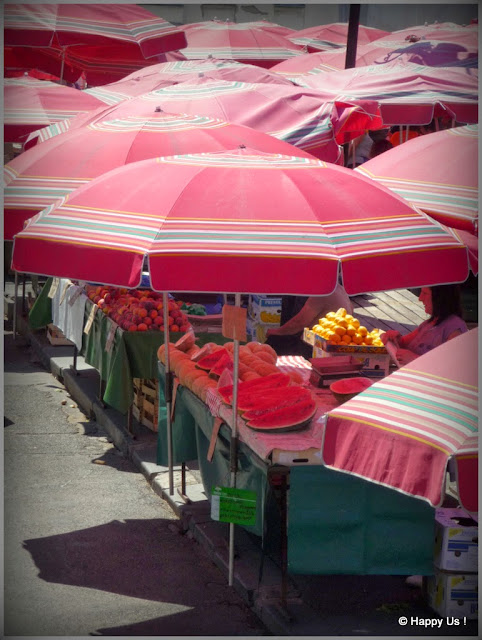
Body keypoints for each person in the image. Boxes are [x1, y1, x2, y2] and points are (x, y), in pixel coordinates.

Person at [380, 284, 468, 366]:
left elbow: (453, 366)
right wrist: (395, 338)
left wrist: (415, 359)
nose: (420, 298)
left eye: (425, 293)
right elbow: (404, 343)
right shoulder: (429, 323)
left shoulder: (455, 327)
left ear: (440, 297)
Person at [265, 283, 353, 358]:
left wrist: (276, 332)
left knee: (275, 341)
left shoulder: (323, 292)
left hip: (320, 345)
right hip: (339, 340)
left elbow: (299, 323)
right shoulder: (339, 288)